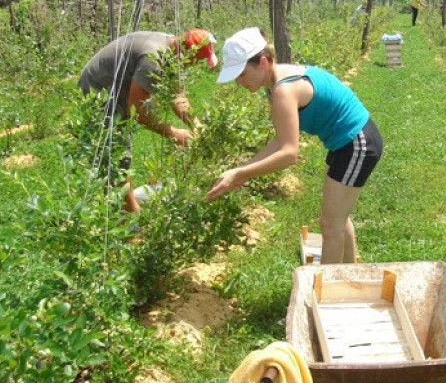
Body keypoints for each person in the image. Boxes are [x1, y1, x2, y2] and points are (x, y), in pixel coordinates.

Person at [206, 27, 382, 264]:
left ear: (263, 62)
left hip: (357, 142)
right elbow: (281, 139)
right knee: (336, 218)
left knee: (331, 225)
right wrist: (244, 171)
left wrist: (241, 172)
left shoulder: (283, 90)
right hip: (346, 142)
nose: (239, 82)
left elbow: (289, 153)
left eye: (241, 74)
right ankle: (350, 274)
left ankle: (327, 293)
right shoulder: (275, 82)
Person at [78, 28, 217, 212]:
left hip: (118, 91)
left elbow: (177, 96)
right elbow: (138, 110)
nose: (195, 65)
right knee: (117, 154)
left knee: (117, 153)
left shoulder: (173, 51)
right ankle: (129, 216)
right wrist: (173, 133)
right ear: (188, 53)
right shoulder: (154, 58)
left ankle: (120, 207)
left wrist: (196, 124)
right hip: (97, 91)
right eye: (197, 60)